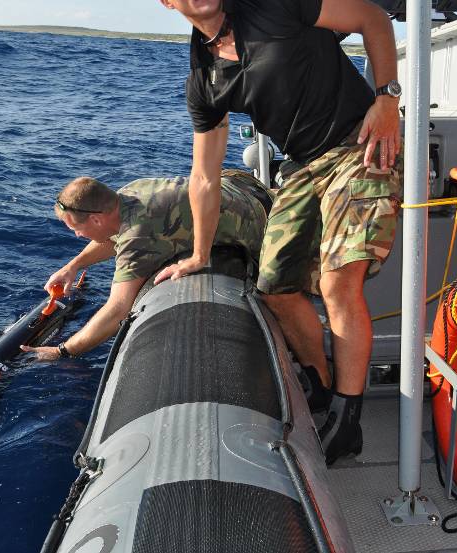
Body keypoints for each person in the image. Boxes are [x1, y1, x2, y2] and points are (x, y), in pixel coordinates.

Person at [154, 0, 404, 465]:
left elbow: (373, 17)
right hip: (305, 168)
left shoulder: (273, 5)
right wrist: (200, 254)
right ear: (168, 2)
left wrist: (387, 98)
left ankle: (347, 423)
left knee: (337, 283)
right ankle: (325, 389)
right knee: (274, 289)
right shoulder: (205, 80)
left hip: (361, 143)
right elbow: (205, 176)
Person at [21, 169, 270, 360]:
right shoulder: (129, 194)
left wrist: (63, 350)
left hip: (262, 226)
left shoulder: (138, 235)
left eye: (76, 228)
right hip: (243, 188)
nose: (77, 235)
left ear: (96, 219)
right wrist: (72, 266)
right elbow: (111, 238)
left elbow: (117, 309)